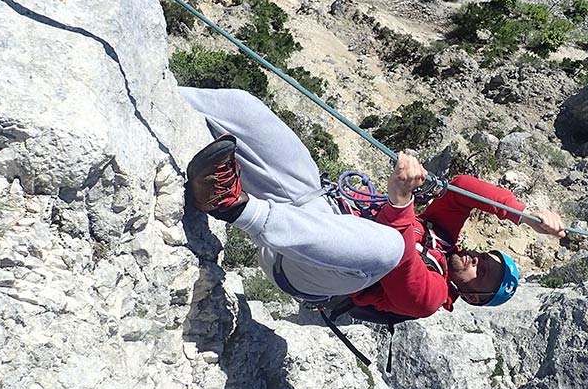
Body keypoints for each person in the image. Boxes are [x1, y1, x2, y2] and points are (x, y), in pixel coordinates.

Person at [180, 87, 566, 320]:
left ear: (472, 297)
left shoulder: (430, 298)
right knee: (243, 108)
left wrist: (400, 201)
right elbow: (463, 188)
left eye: (484, 277)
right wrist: (523, 215)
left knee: (390, 247)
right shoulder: (443, 237)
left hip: (307, 270)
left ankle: (229, 205)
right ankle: (158, 92)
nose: (480, 263)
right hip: (314, 206)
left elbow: (396, 256)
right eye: (489, 261)